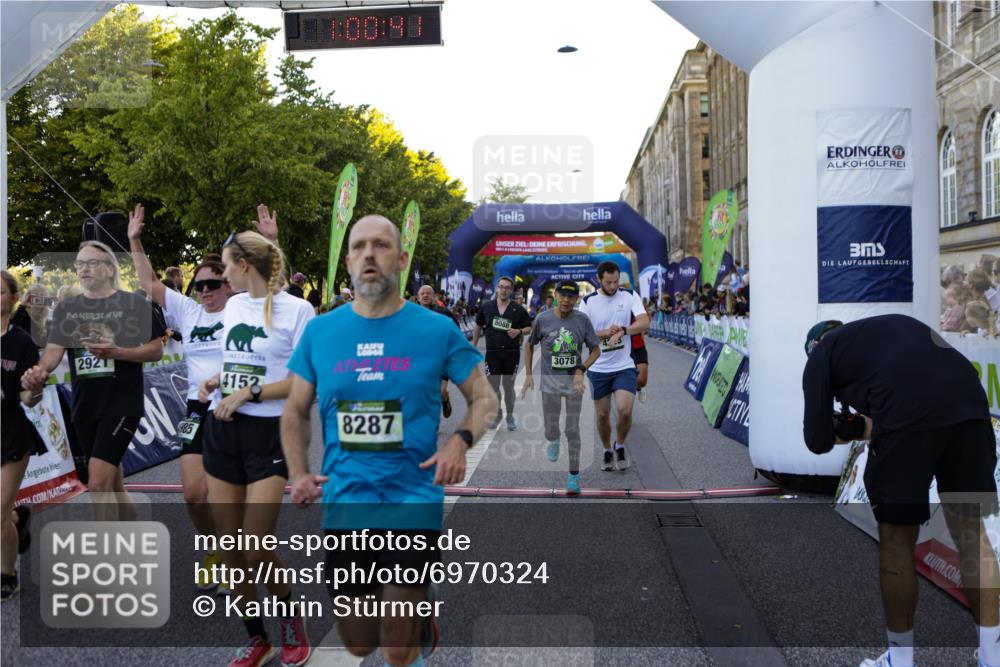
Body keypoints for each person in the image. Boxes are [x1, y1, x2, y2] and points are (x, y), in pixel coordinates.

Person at [282, 214, 496, 667]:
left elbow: (484, 399)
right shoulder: (321, 332)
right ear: (348, 262)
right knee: (360, 643)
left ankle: (412, 622)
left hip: (412, 500)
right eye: (358, 247)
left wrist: (459, 440)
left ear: (400, 259)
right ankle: (419, 614)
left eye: (380, 245)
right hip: (347, 503)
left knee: (397, 650)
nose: (368, 255)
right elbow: (295, 408)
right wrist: (298, 471)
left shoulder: (435, 330)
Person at [802, 315, 999, 667]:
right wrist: (869, 427)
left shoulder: (822, 352)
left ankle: (900, 660)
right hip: (970, 406)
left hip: (907, 416)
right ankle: (993, 655)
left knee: (896, 539)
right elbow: (917, 389)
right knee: (972, 536)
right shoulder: (886, 330)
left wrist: (842, 429)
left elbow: (816, 441)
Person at [129, 203, 279, 594]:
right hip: (198, 409)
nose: (207, 291)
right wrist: (134, 239)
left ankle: (240, 557)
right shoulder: (188, 311)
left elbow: (268, 281)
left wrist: (269, 240)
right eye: (200, 285)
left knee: (237, 499)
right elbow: (148, 283)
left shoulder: (243, 309)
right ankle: (215, 552)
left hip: (240, 407)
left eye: (214, 284)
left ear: (229, 285)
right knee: (194, 495)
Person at [194, 228, 314, 667]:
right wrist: (220, 381)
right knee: (230, 549)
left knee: (258, 545)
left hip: (271, 435)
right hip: (223, 431)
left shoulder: (300, 310)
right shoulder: (233, 307)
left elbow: (305, 382)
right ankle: (256, 637)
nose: (221, 275)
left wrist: (250, 392)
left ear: (244, 266)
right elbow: (237, 362)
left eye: (225, 266)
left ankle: (289, 618)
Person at [21, 241, 165, 521]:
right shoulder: (67, 309)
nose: (83, 269)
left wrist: (118, 352)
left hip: (122, 403)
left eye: (91, 263)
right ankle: (130, 523)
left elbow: (156, 349)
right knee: (111, 482)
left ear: (109, 269)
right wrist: (39, 371)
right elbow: (53, 351)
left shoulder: (132, 303)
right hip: (85, 405)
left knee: (98, 484)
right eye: (79, 264)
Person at [521, 281, 600, 495]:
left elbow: (596, 350)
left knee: (572, 429)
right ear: (555, 296)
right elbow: (529, 345)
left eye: (571, 297)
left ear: (576, 300)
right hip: (549, 384)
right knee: (551, 428)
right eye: (562, 295)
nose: (566, 300)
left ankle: (573, 476)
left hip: (573, 384)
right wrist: (528, 375)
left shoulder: (582, 320)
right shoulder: (543, 319)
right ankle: (553, 438)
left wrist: (581, 369)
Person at [1, 271, 46, 602]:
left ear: (14, 298)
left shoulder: (22, 343)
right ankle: (19, 516)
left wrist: (32, 389)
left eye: (0, 292)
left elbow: (30, 398)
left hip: (11, 432)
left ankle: (7, 575)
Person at [579, 261, 649, 471]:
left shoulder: (629, 296)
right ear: (599, 280)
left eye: (616, 281)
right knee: (602, 415)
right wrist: (605, 333)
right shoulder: (588, 301)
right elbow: (582, 332)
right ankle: (607, 450)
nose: (613, 286)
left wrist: (624, 331)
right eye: (609, 282)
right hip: (598, 368)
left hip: (624, 365)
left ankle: (619, 444)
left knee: (624, 410)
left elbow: (644, 322)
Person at [474, 276, 532, 431]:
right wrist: (473, 345)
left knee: (508, 387)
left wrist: (519, 331)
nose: (504, 290)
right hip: (492, 353)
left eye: (507, 287)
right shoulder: (487, 307)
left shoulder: (518, 309)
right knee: (493, 387)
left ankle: (510, 415)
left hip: (511, 353)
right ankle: (497, 412)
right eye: (501, 287)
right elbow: (478, 325)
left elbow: (529, 327)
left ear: (511, 290)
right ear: (497, 288)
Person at [417, 284, 461, 418]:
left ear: (433, 296)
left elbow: (456, 329)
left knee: (440, 391)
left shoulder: (443, 312)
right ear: (418, 297)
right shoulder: (412, 314)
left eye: (428, 293)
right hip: (422, 359)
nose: (425, 295)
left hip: (441, 357)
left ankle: (445, 398)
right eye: (422, 293)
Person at [10, 282, 51, 348]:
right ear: (28, 298)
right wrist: (22, 306)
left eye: (42, 295)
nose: (39, 298)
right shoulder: (22, 314)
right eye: (36, 295)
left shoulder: (48, 318)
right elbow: (11, 328)